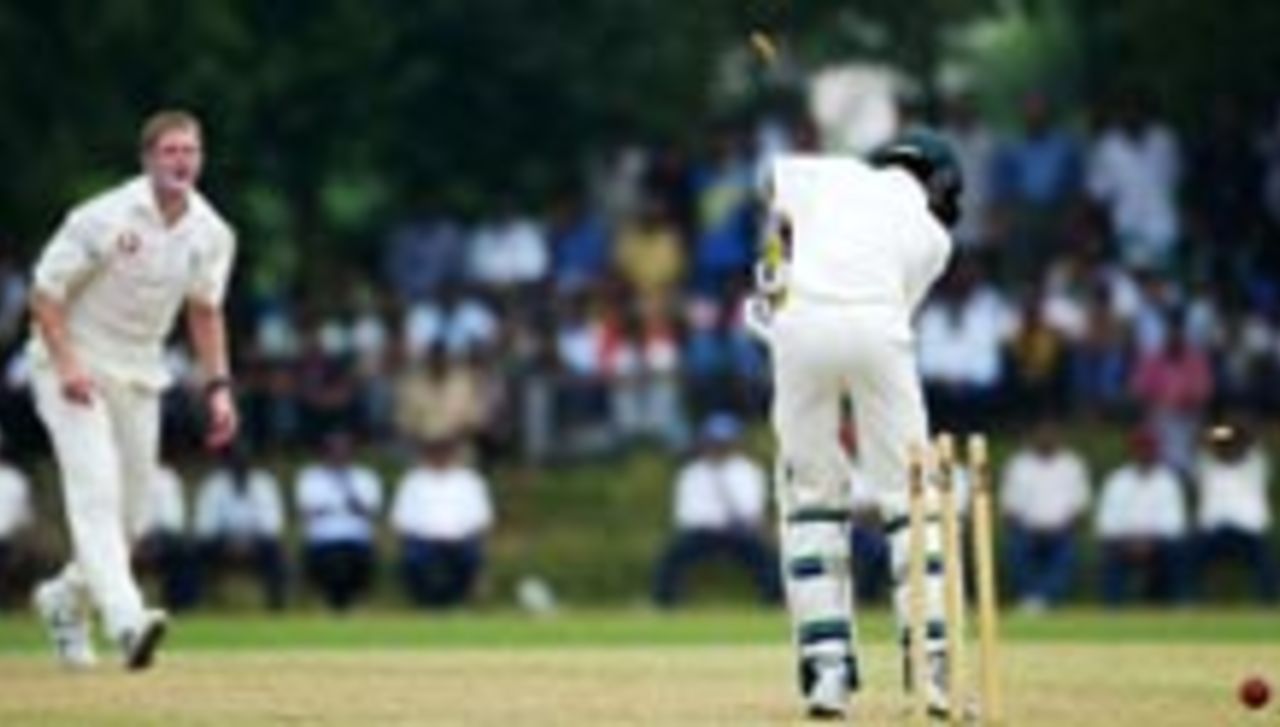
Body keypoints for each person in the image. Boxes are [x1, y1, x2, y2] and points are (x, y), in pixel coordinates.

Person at [753, 128, 961, 718]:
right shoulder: (934, 239)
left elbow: (769, 183)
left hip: (801, 326)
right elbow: (888, 304)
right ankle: (932, 671)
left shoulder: (831, 173)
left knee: (811, 499)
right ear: (934, 180)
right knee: (910, 500)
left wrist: (775, 263)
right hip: (879, 330)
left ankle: (827, 673)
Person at [27, 110, 237, 671]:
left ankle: (64, 601)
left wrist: (219, 387)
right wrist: (68, 364)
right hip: (69, 364)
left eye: (190, 151)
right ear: (147, 159)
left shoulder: (211, 233)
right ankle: (127, 620)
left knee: (133, 517)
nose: (181, 161)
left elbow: (205, 311)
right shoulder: (102, 216)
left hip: (140, 372)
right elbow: (45, 295)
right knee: (95, 489)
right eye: (170, 151)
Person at [651, 413, 780, 608]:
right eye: (715, 442)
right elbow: (686, 513)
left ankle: (774, 601)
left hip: (737, 531)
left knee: (765, 558)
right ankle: (664, 602)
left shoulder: (748, 471)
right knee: (671, 556)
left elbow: (751, 509)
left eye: (724, 443)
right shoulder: (691, 472)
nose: (719, 448)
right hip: (702, 531)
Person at [390, 436, 495, 608]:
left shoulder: (470, 481)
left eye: (445, 451)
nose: (440, 456)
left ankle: (458, 601)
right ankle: (425, 602)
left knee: (470, 555)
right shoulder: (413, 480)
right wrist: (430, 535)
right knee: (414, 557)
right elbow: (401, 519)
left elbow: (482, 518)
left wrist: (457, 535)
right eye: (436, 451)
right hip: (423, 540)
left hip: (460, 540)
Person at [999, 419, 1092, 611]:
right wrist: (1027, 528)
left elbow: (1080, 507)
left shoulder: (1072, 464)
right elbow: (1009, 509)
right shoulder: (1019, 464)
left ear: (1059, 437)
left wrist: (1061, 528)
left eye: (1051, 433)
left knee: (1067, 551)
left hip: (1061, 530)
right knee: (1016, 547)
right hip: (1027, 529)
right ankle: (1033, 598)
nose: (1046, 438)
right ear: (1033, 436)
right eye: (1042, 433)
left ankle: (1041, 600)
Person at [1095, 429, 1190, 606]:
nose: (1144, 453)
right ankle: (1112, 608)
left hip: (1158, 543)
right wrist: (1131, 542)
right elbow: (1107, 522)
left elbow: (1174, 523)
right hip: (1124, 542)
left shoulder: (1168, 481)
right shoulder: (1117, 480)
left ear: (1156, 452)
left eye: (1148, 449)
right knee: (1109, 552)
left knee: (1177, 550)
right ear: (1131, 451)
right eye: (1139, 448)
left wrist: (1149, 543)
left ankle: (1179, 604)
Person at [295, 430, 383, 612]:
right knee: (331, 562)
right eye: (334, 450)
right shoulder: (311, 477)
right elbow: (307, 511)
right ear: (325, 452)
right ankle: (331, 604)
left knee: (355, 560)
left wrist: (348, 496)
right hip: (323, 540)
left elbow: (370, 511)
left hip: (356, 540)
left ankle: (352, 604)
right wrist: (337, 507)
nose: (339, 454)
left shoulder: (365, 477)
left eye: (344, 450)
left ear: (352, 452)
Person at [193, 445, 287, 610]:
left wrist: (248, 542)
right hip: (222, 542)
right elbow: (204, 524)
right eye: (235, 462)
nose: (240, 465)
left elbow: (273, 523)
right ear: (227, 464)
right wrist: (230, 541)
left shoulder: (264, 483)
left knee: (276, 551)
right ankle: (190, 606)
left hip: (256, 542)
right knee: (193, 553)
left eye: (244, 462)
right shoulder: (214, 484)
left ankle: (276, 607)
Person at [1192, 424, 1277, 603]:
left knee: (1265, 560)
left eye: (1232, 444)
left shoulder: (1255, 465)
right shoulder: (1207, 466)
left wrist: (1233, 431)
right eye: (1224, 445)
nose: (1229, 448)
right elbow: (1200, 438)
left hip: (1248, 532)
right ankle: (1186, 603)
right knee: (1187, 555)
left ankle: (1268, 605)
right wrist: (1219, 433)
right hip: (1214, 532)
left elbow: (1254, 436)